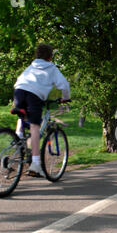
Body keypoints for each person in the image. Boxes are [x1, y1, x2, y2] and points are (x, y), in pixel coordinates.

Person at [14, 43, 70, 177]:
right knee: (35, 126)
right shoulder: (51, 68)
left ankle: (18, 137)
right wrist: (65, 98)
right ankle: (36, 163)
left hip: (19, 90)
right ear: (50, 57)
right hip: (34, 95)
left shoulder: (31, 66)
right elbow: (64, 85)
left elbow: (24, 81)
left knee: (22, 114)